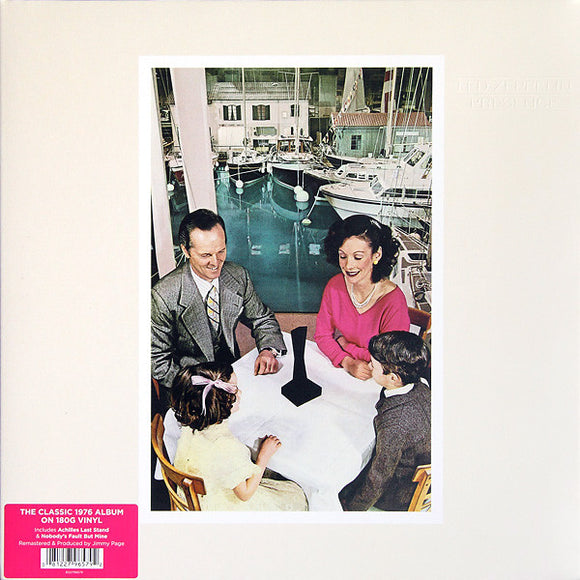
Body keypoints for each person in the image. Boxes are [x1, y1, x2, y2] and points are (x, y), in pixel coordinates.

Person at [151, 209, 286, 393]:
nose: (216, 263)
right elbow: (157, 361)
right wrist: (199, 388)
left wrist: (268, 350)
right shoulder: (163, 295)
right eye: (206, 255)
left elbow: (262, 319)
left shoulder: (238, 275)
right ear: (185, 250)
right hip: (189, 386)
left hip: (232, 373)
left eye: (221, 251)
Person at [171, 362, 308, 511]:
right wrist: (264, 456)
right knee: (296, 495)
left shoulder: (191, 426)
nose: (240, 393)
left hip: (197, 491)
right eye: (235, 390)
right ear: (220, 403)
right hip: (221, 506)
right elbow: (245, 494)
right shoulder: (227, 447)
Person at [339, 331, 431, 511]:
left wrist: (353, 509)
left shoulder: (396, 424)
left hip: (399, 492)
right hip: (415, 463)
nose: (369, 366)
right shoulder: (421, 384)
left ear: (393, 378)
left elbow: (379, 476)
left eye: (373, 365)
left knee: (341, 485)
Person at [314, 215, 410, 380]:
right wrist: (347, 361)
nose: (348, 265)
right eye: (343, 256)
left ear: (376, 255)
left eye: (358, 257)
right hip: (348, 371)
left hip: (381, 379)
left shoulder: (393, 301)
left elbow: (389, 360)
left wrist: (345, 345)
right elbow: (322, 336)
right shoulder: (335, 286)